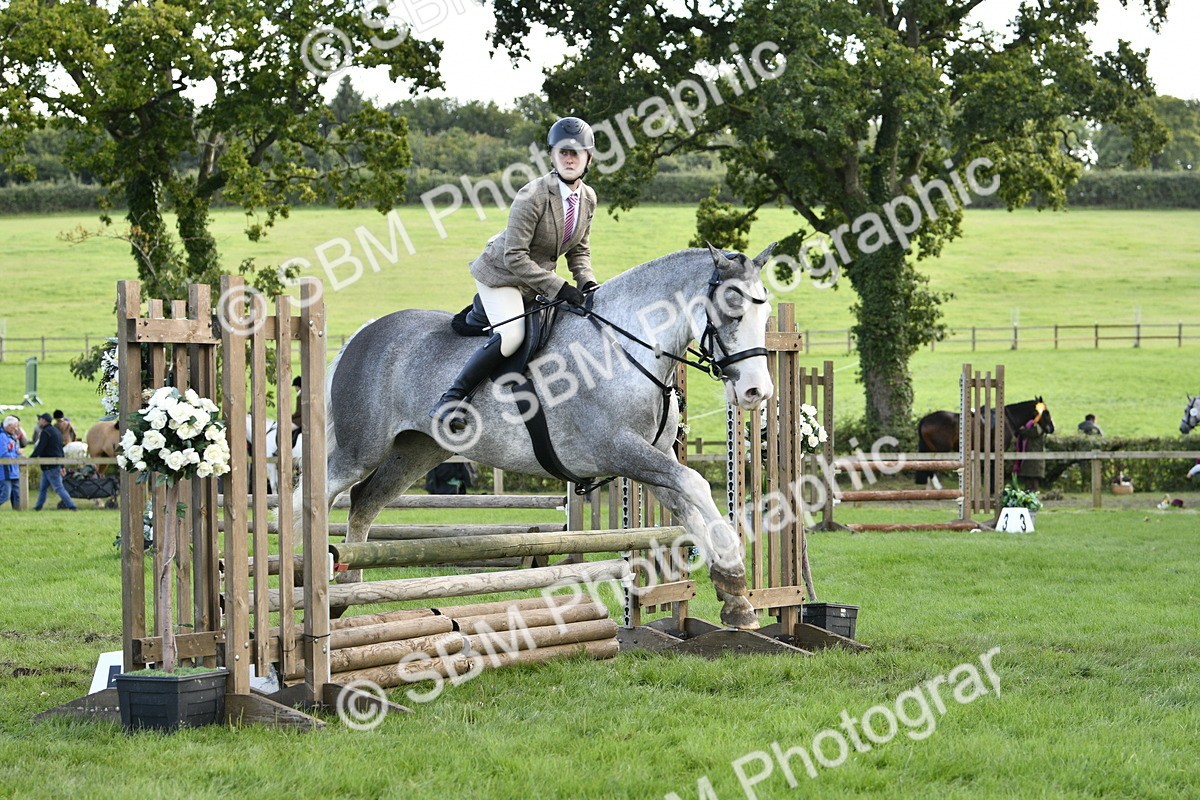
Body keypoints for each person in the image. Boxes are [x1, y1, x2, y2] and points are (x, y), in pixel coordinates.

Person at [430, 117, 600, 433]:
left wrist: (586, 282)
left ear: (589, 158)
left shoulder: (588, 198)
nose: (569, 158)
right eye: (563, 152)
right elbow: (515, 256)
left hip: (534, 279)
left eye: (577, 152)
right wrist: (559, 287)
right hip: (502, 274)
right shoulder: (532, 194)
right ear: (552, 155)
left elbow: (579, 250)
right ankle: (451, 400)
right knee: (512, 336)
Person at [31, 412, 77, 511]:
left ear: (44, 420)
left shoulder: (45, 432)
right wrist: (62, 465)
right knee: (43, 488)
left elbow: (40, 447)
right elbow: (60, 450)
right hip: (54, 465)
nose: (39, 421)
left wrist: (31, 458)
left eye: (40, 419)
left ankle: (72, 506)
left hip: (49, 466)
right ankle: (38, 507)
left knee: (59, 488)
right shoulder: (56, 431)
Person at [1013, 402, 1049, 492]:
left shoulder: (1039, 427)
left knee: (1033, 481)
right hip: (1030, 458)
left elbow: (1031, 433)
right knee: (1029, 481)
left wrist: (1020, 430)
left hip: (1035, 458)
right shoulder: (1035, 425)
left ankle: (1033, 499)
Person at [2, 416, 27, 509]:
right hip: (6, 471)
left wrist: (17, 452)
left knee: (18, 494)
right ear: (9, 426)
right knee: (5, 495)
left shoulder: (12, 436)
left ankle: (19, 513)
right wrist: (17, 455)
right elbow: (3, 455)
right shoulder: (2, 437)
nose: (17, 429)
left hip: (14, 470)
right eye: (15, 426)